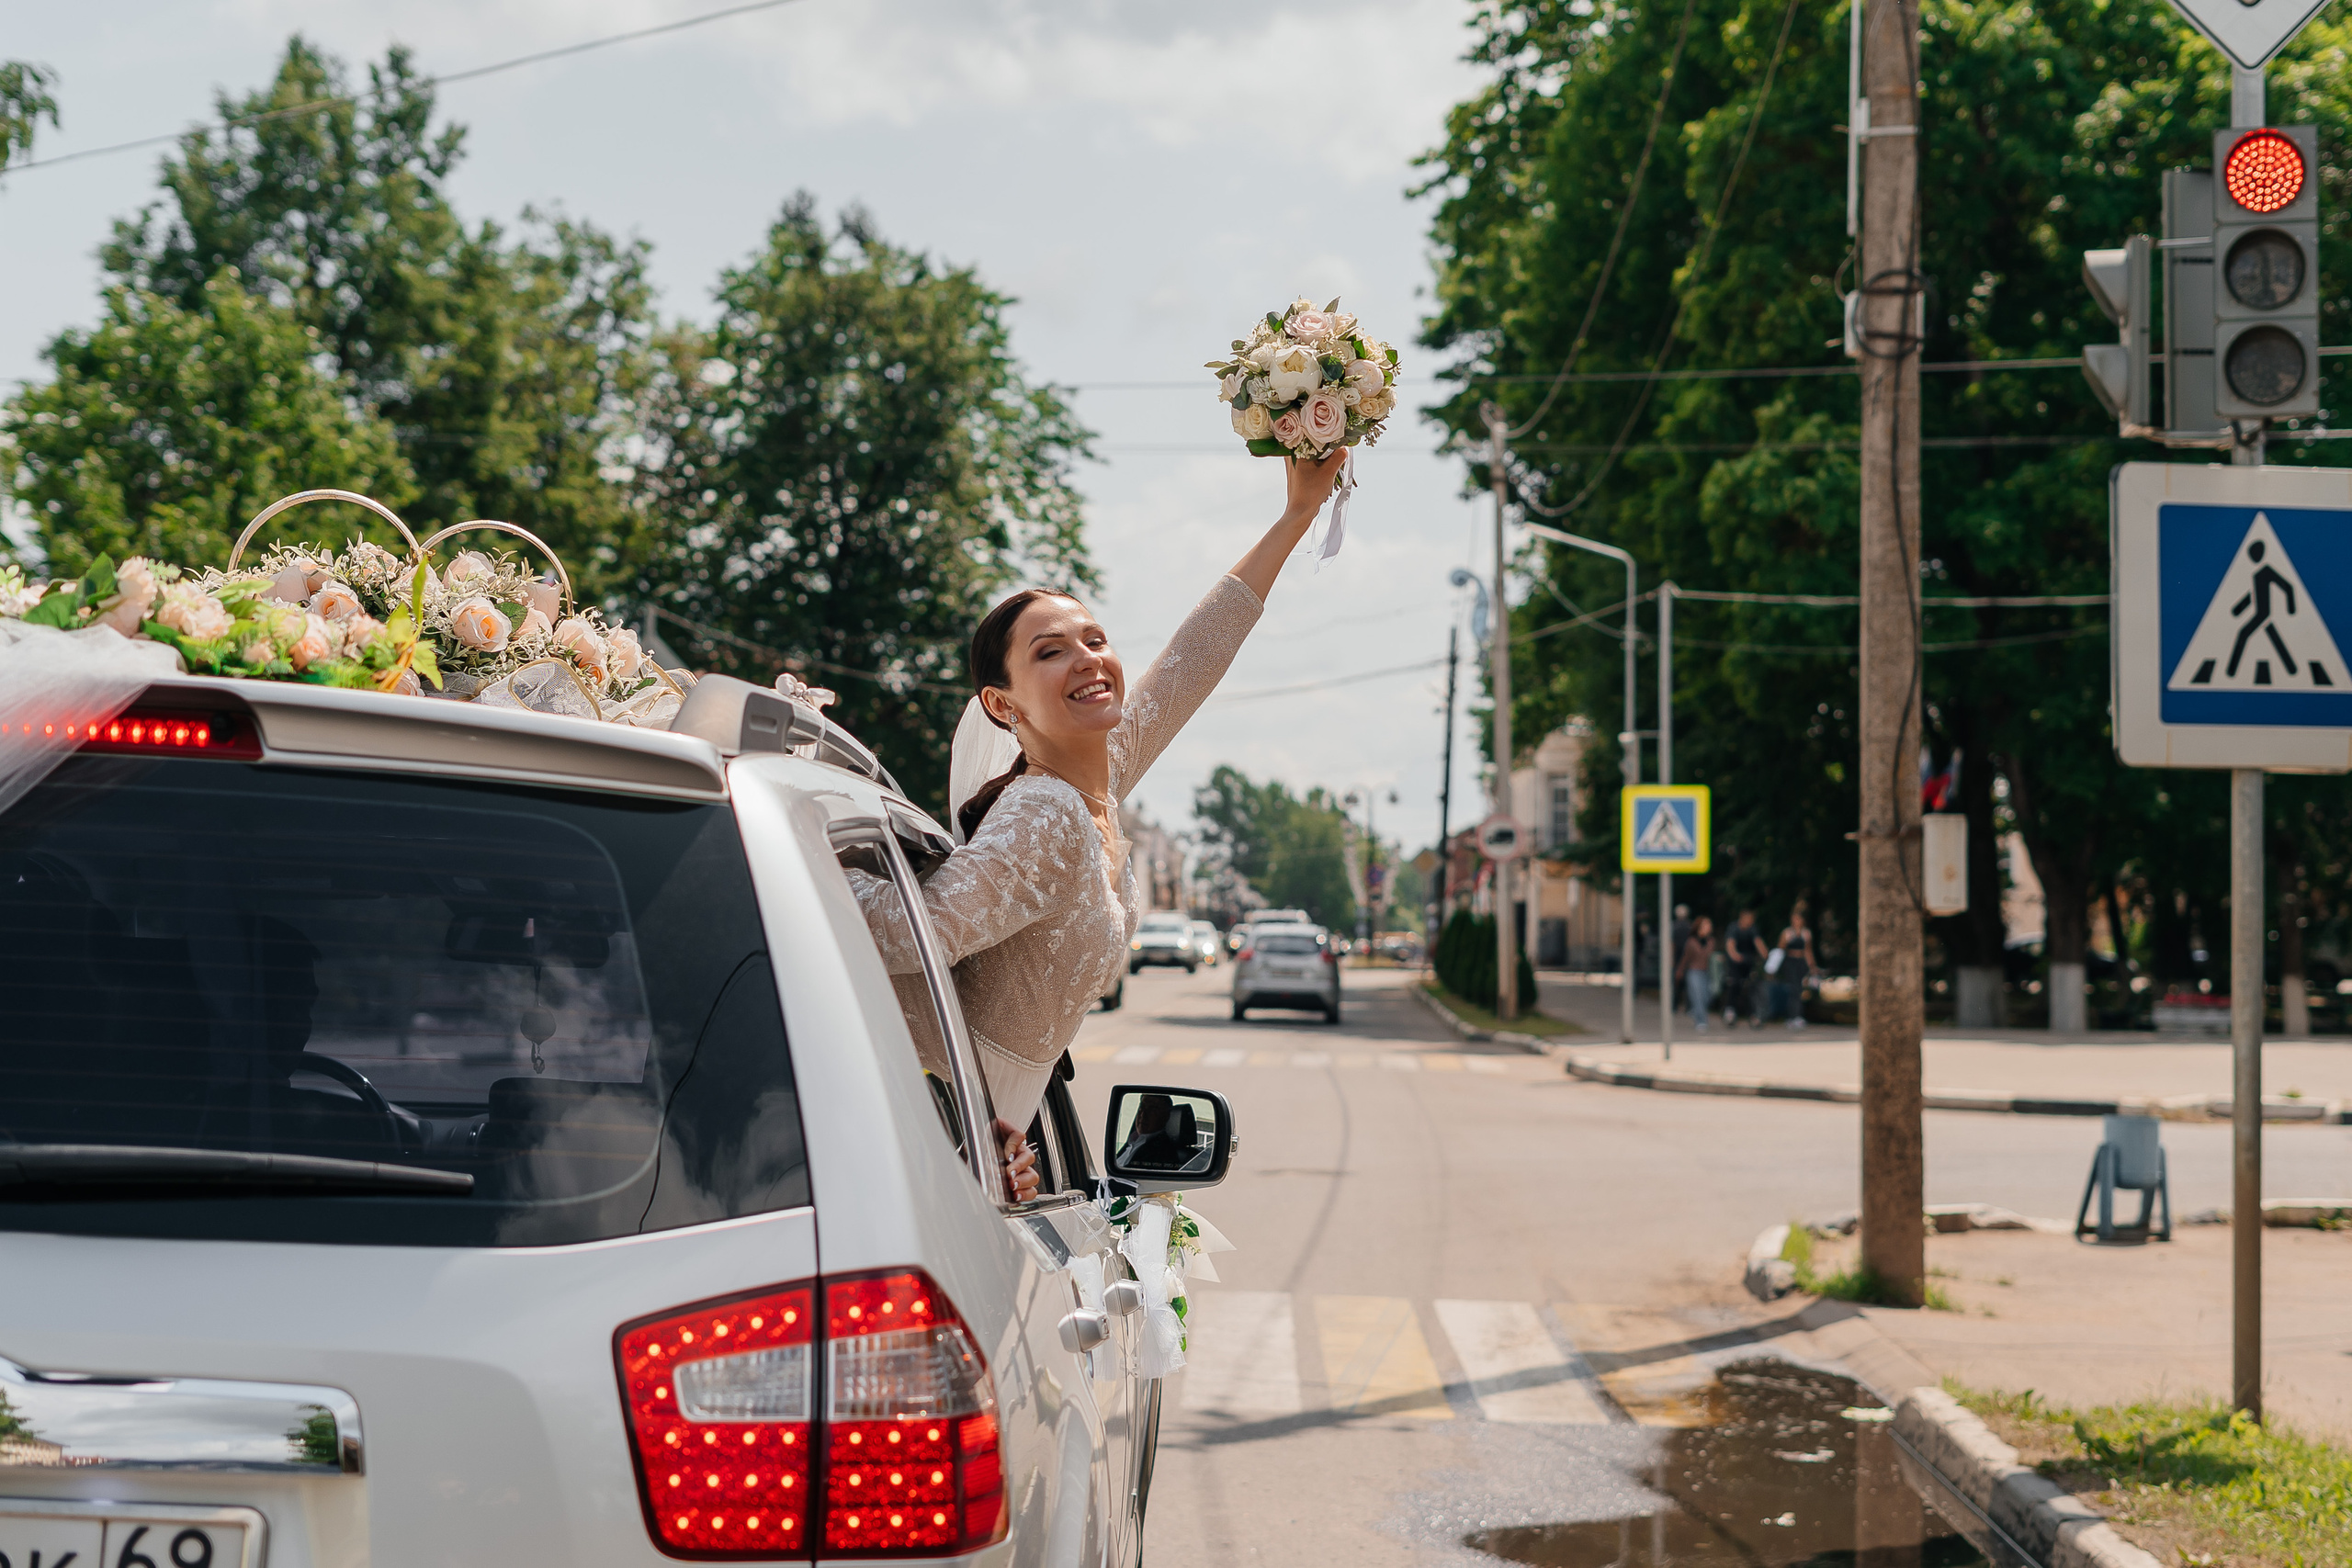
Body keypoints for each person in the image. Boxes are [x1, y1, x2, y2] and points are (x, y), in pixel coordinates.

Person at [854, 453, 1347, 1192]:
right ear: (1003, 705)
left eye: (1093, 638)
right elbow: (908, 932)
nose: (1088, 659)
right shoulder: (1046, 812)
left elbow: (1195, 656)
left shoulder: (1099, 784)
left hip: (999, 1143)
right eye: (1050, 652)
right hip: (944, 1132)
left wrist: (1297, 515)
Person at [1723, 909, 1766, 1028]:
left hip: (1748, 962)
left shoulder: (1753, 929)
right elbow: (1730, 944)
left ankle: (1753, 1016)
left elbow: (1759, 943)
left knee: (1751, 989)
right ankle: (1730, 1012)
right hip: (1735, 964)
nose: (1750, 922)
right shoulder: (1733, 928)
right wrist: (1734, 955)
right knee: (1735, 985)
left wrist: (1765, 956)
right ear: (1742, 917)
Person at [1776, 908, 1815, 1032]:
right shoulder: (1787, 933)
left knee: (1799, 990)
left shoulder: (1806, 934)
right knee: (1792, 989)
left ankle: (1798, 1016)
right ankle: (1791, 1016)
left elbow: (1808, 951)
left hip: (1801, 962)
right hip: (1790, 962)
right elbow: (1781, 949)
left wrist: (1812, 965)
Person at [1675, 915, 1715, 1032]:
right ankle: (1701, 1021)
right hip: (1694, 971)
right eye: (1706, 925)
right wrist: (1680, 970)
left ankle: (1695, 1010)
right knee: (1698, 996)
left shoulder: (1711, 941)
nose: (1709, 927)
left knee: (1708, 995)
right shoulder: (1691, 941)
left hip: (1707, 972)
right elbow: (1685, 957)